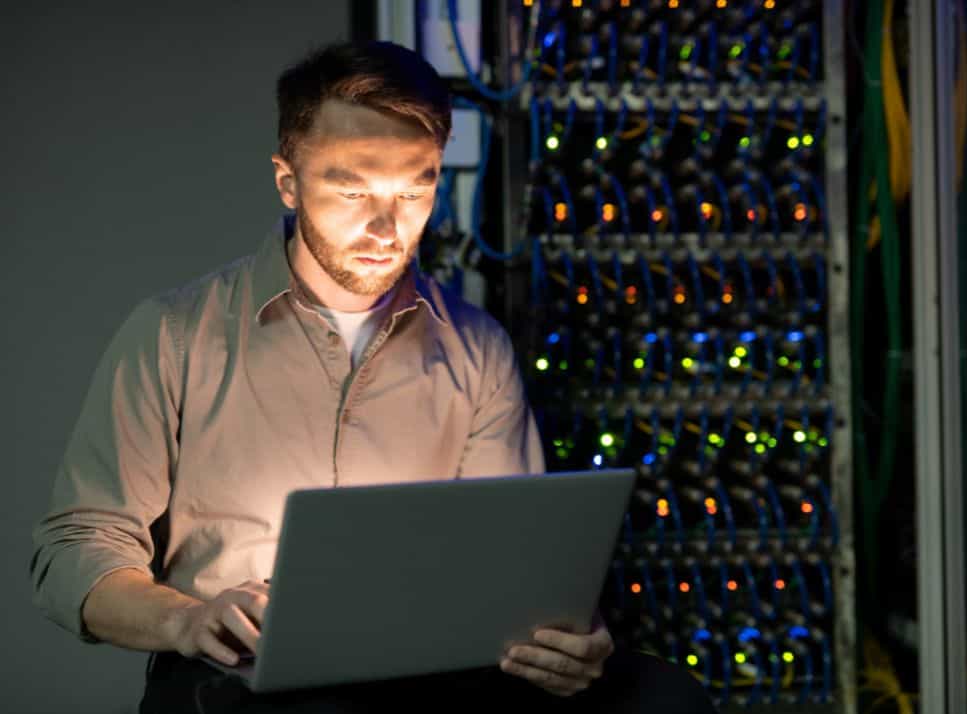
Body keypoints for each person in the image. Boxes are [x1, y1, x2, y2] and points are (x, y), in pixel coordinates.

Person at [29, 40, 717, 714]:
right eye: (352, 188)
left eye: (416, 188)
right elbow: (75, 550)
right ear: (288, 182)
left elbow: (511, 564)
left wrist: (562, 638)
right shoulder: (173, 334)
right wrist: (187, 619)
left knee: (665, 697)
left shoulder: (476, 346)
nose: (387, 227)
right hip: (234, 676)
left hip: (428, 673)